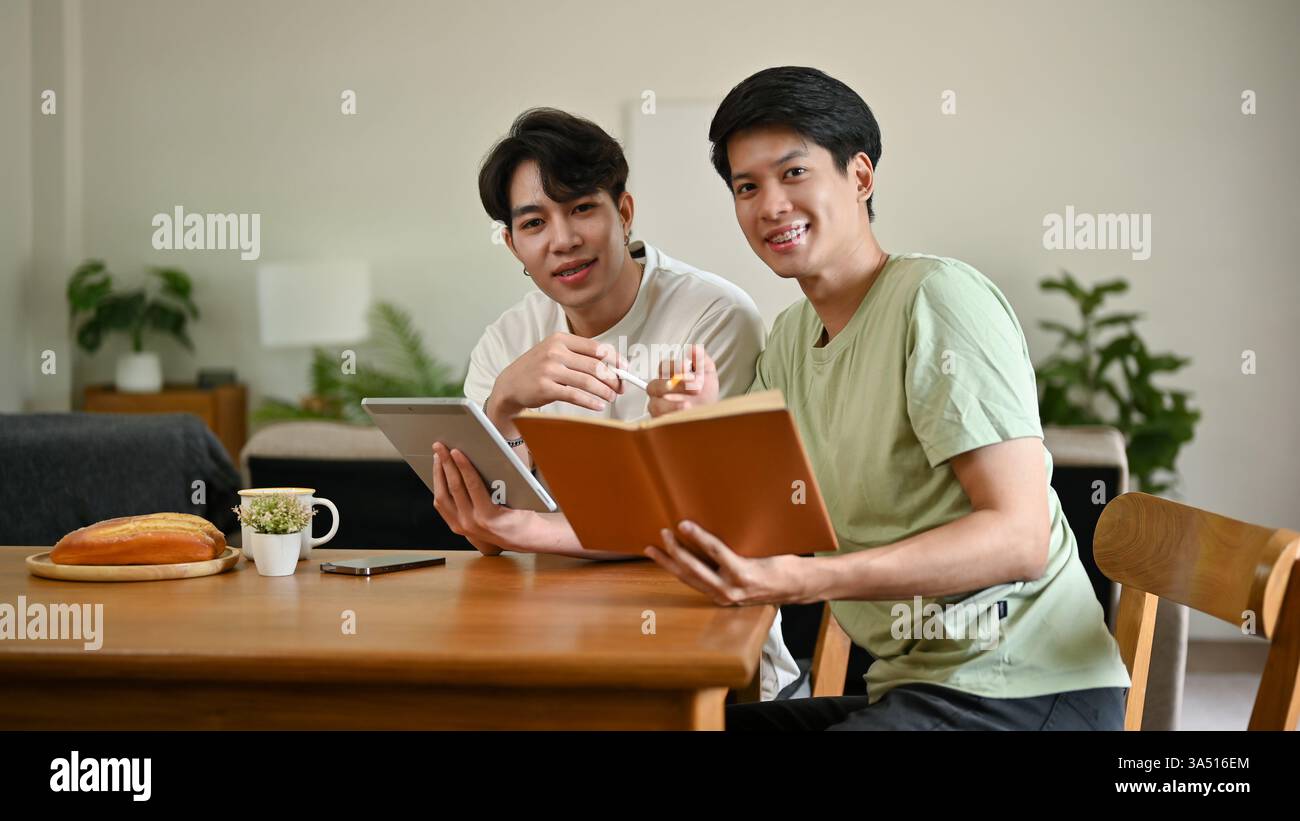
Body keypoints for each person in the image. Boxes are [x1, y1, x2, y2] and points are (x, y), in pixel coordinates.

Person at [643, 67, 1132, 730]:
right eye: (746, 187)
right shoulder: (791, 337)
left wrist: (808, 580)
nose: (769, 206)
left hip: (1023, 690)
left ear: (861, 177)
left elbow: (1018, 538)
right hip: (913, 686)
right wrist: (693, 421)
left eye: (793, 173)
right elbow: (758, 503)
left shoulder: (937, 299)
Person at [431, 107, 800, 700]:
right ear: (512, 244)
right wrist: (503, 404)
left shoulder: (713, 316)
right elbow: (484, 533)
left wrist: (530, 528)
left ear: (623, 212)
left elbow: (702, 526)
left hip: (710, 651)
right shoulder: (505, 342)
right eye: (533, 223)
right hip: (550, 641)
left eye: (581, 208)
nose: (563, 240)